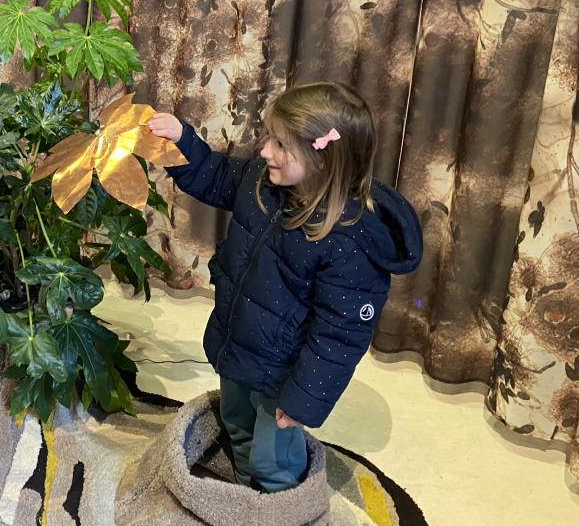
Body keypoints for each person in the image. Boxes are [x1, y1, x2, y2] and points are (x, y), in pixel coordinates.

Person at [147, 82, 422, 492]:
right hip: (240, 343)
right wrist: (182, 139)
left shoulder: (348, 241)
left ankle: (279, 516)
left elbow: (339, 336)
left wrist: (302, 401)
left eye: (280, 145)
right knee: (237, 424)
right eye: (269, 139)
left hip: (284, 374)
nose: (264, 152)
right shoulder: (262, 180)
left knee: (272, 459)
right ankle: (246, 495)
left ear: (321, 160)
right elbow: (216, 175)